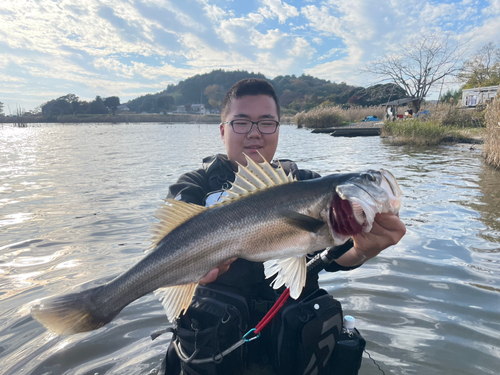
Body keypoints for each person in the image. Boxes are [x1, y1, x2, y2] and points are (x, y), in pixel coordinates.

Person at [159, 78, 406, 375]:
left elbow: (337, 257)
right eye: (241, 123)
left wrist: (365, 251)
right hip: (216, 351)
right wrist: (196, 273)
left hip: (291, 350)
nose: (254, 133)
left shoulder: (305, 182)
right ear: (223, 130)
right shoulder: (194, 186)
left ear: (278, 128)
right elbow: (166, 252)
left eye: (266, 123)